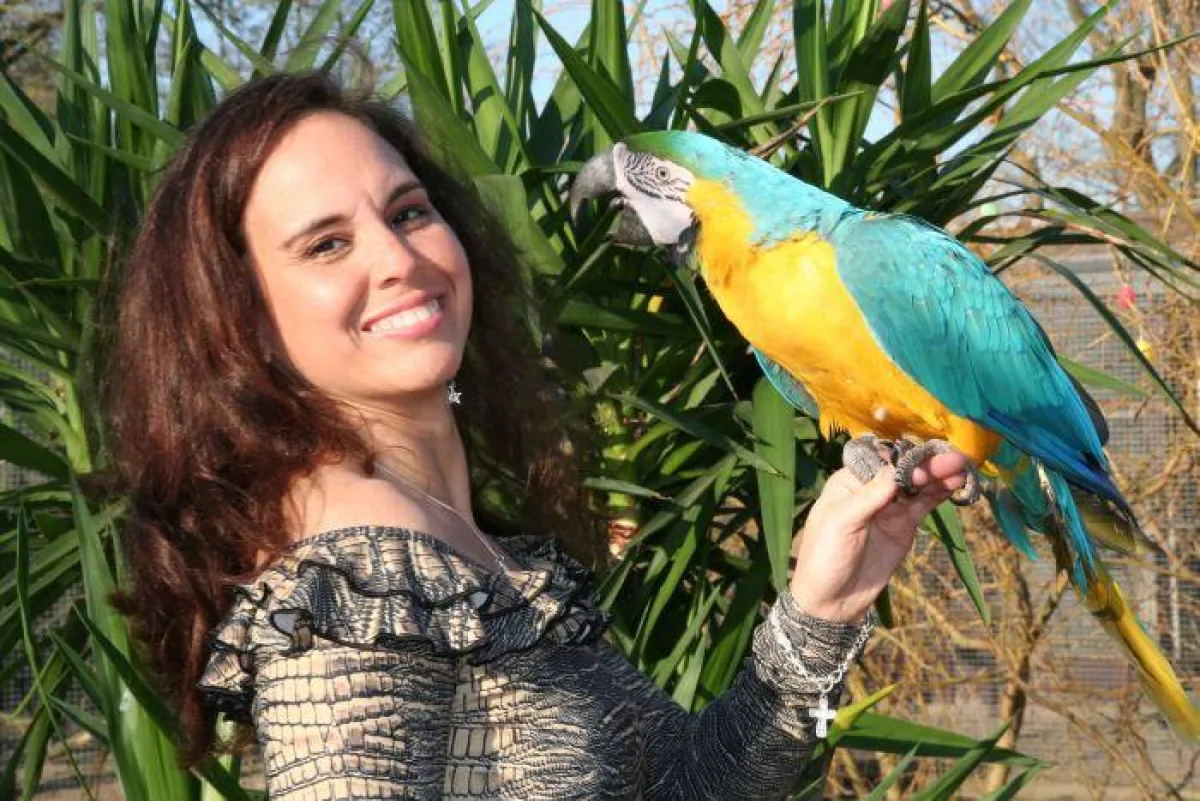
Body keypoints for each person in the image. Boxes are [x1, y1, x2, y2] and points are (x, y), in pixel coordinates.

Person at [106, 72, 970, 800]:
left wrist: (822, 619)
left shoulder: (464, 550)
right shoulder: (349, 597)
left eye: (407, 213)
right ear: (246, 321)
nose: (398, 259)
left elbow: (699, 788)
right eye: (327, 245)